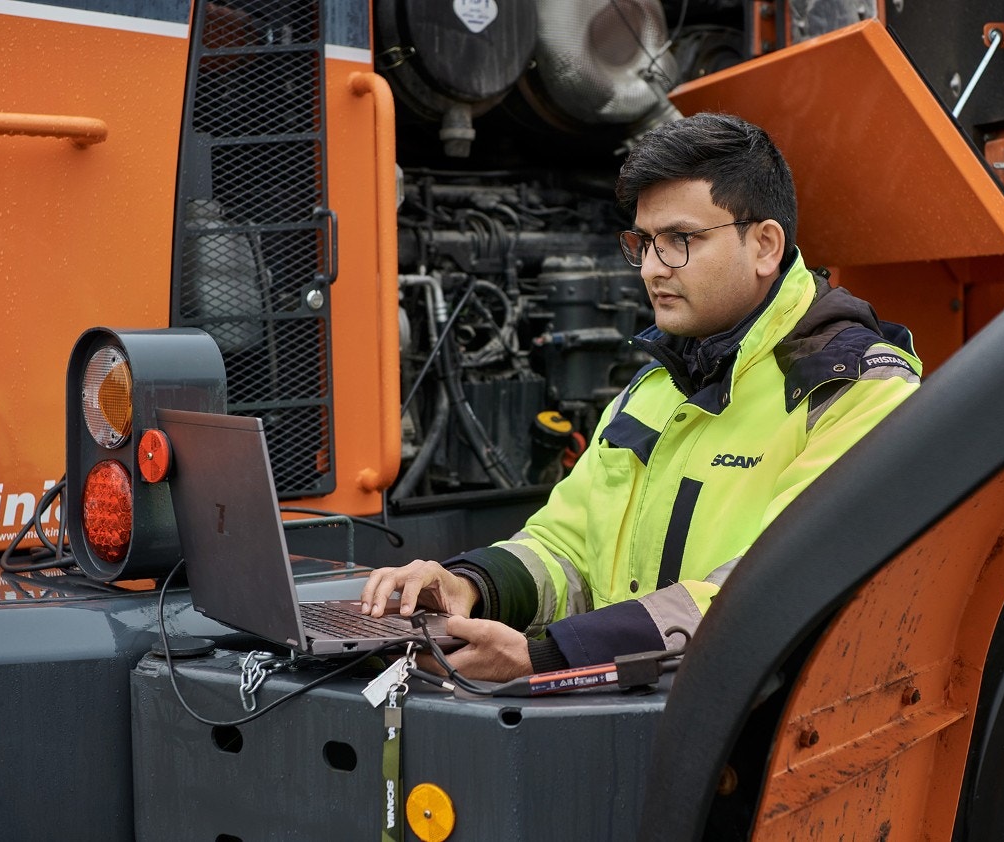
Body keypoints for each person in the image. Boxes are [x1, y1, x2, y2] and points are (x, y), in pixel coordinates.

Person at [361, 112, 922, 682]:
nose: (652, 268)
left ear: (765, 246)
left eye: (680, 240)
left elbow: (771, 591)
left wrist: (550, 658)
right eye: (644, 242)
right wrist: (470, 586)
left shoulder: (857, 389)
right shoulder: (656, 385)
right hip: (629, 717)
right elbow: (567, 546)